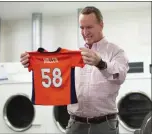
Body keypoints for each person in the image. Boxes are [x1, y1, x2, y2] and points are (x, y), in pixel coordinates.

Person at [20, 6, 129, 134]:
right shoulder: (75, 54)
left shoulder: (115, 52)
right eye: (82, 28)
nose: (85, 32)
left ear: (101, 25)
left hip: (105, 125)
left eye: (89, 27)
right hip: (75, 125)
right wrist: (33, 62)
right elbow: (52, 69)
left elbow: (120, 76)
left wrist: (101, 63)